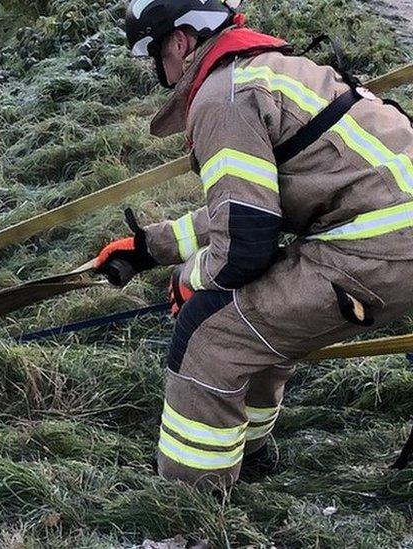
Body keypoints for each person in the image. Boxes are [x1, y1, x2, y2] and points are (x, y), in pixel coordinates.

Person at [91, 0, 413, 488]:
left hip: (378, 251)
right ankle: (250, 454)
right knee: (264, 321)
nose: (158, 68)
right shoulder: (265, 69)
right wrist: (147, 248)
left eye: (155, 52)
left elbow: (244, 244)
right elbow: (252, 207)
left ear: (179, 41)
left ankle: (189, 501)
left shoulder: (222, 98)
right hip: (382, 235)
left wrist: (188, 280)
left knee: (209, 332)